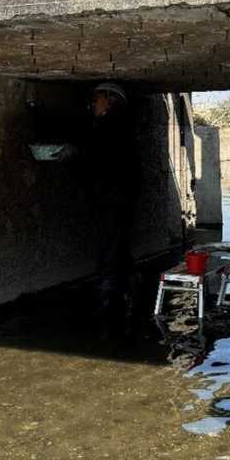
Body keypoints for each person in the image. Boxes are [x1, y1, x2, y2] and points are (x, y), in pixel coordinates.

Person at [84, 82, 140, 334]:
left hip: (112, 201)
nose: (92, 104)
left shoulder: (111, 128)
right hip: (116, 200)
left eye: (97, 99)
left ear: (110, 101)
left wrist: (74, 154)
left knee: (109, 250)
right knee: (117, 249)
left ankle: (106, 310)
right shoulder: (117, 128)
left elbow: (101, 161)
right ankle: (127, 302)